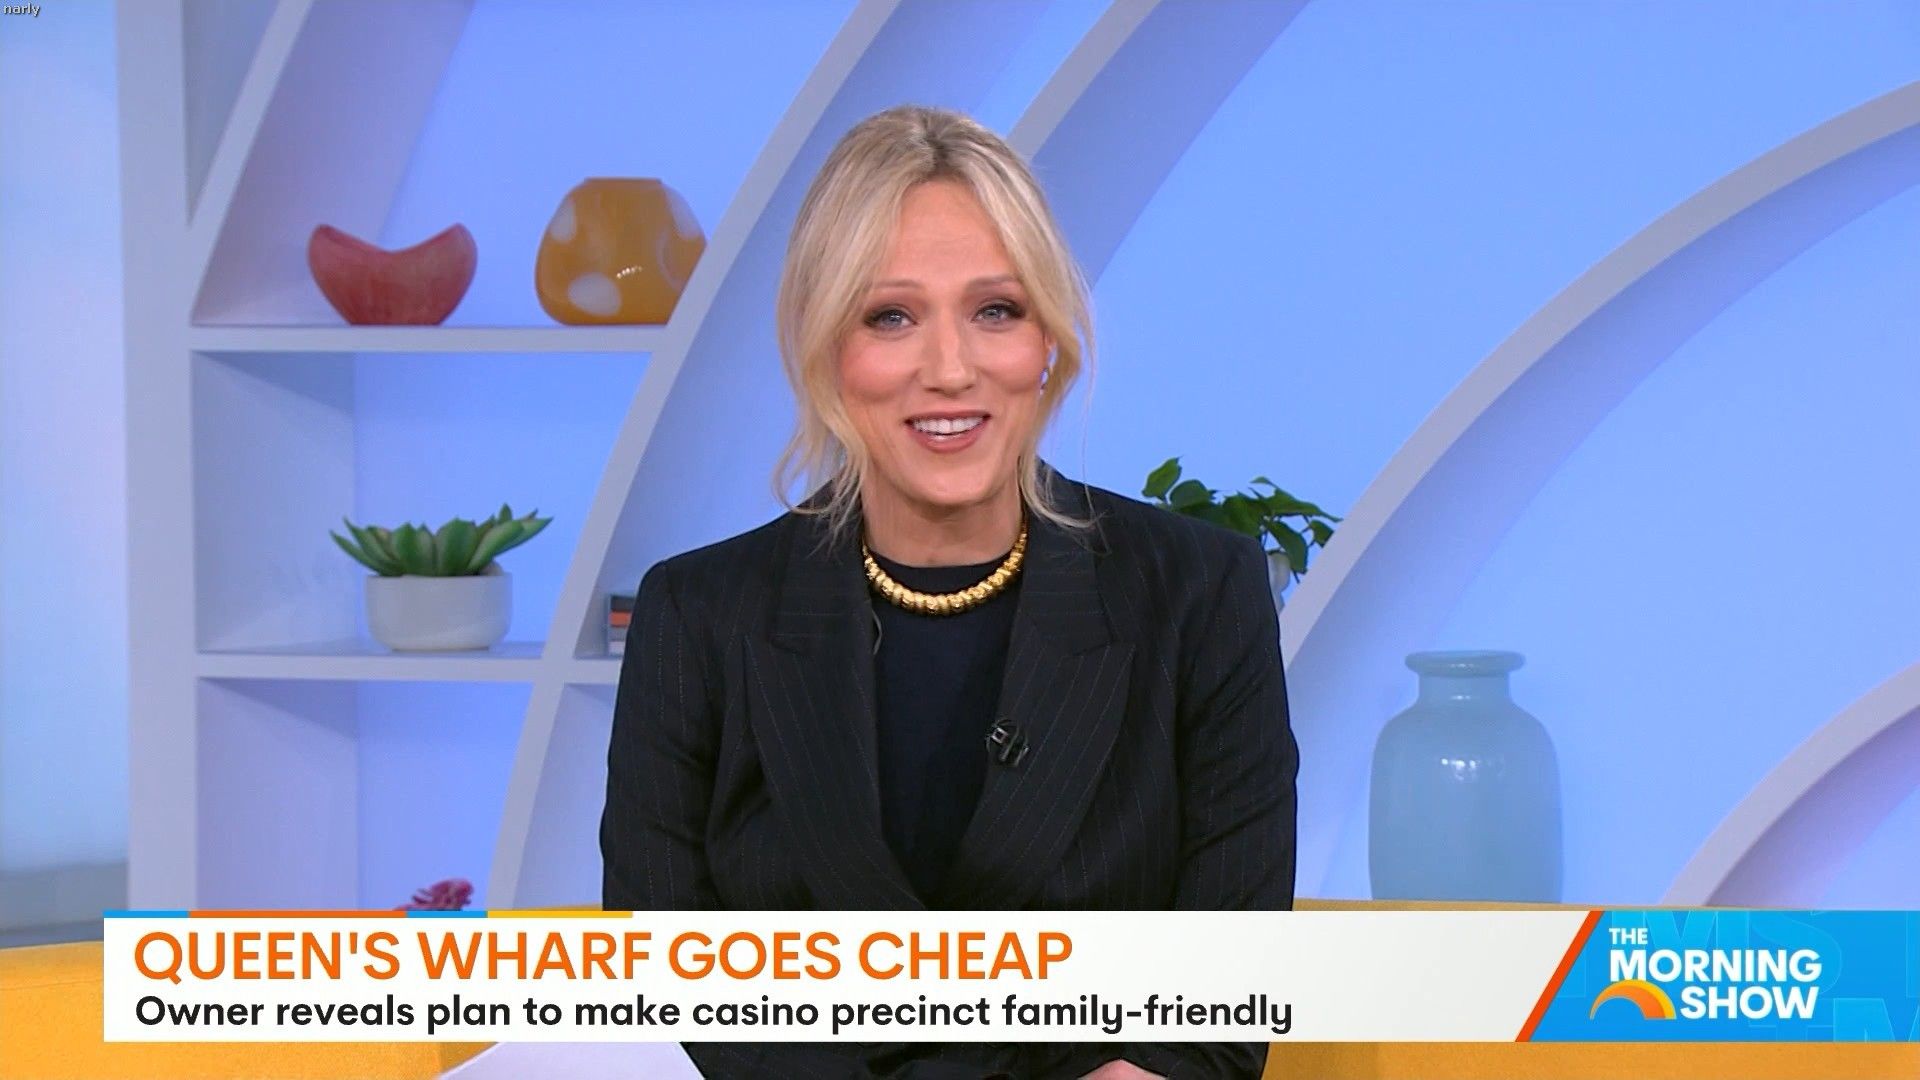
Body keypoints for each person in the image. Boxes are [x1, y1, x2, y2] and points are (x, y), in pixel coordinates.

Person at [602, 103, 1298, 1079]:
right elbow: (664, 987)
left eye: (996, 311)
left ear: (1047, 340)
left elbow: (1219, 993)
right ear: (825, 346)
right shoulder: (696, 615)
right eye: (890, 316)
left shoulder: (1199, 594)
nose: (950, 369)